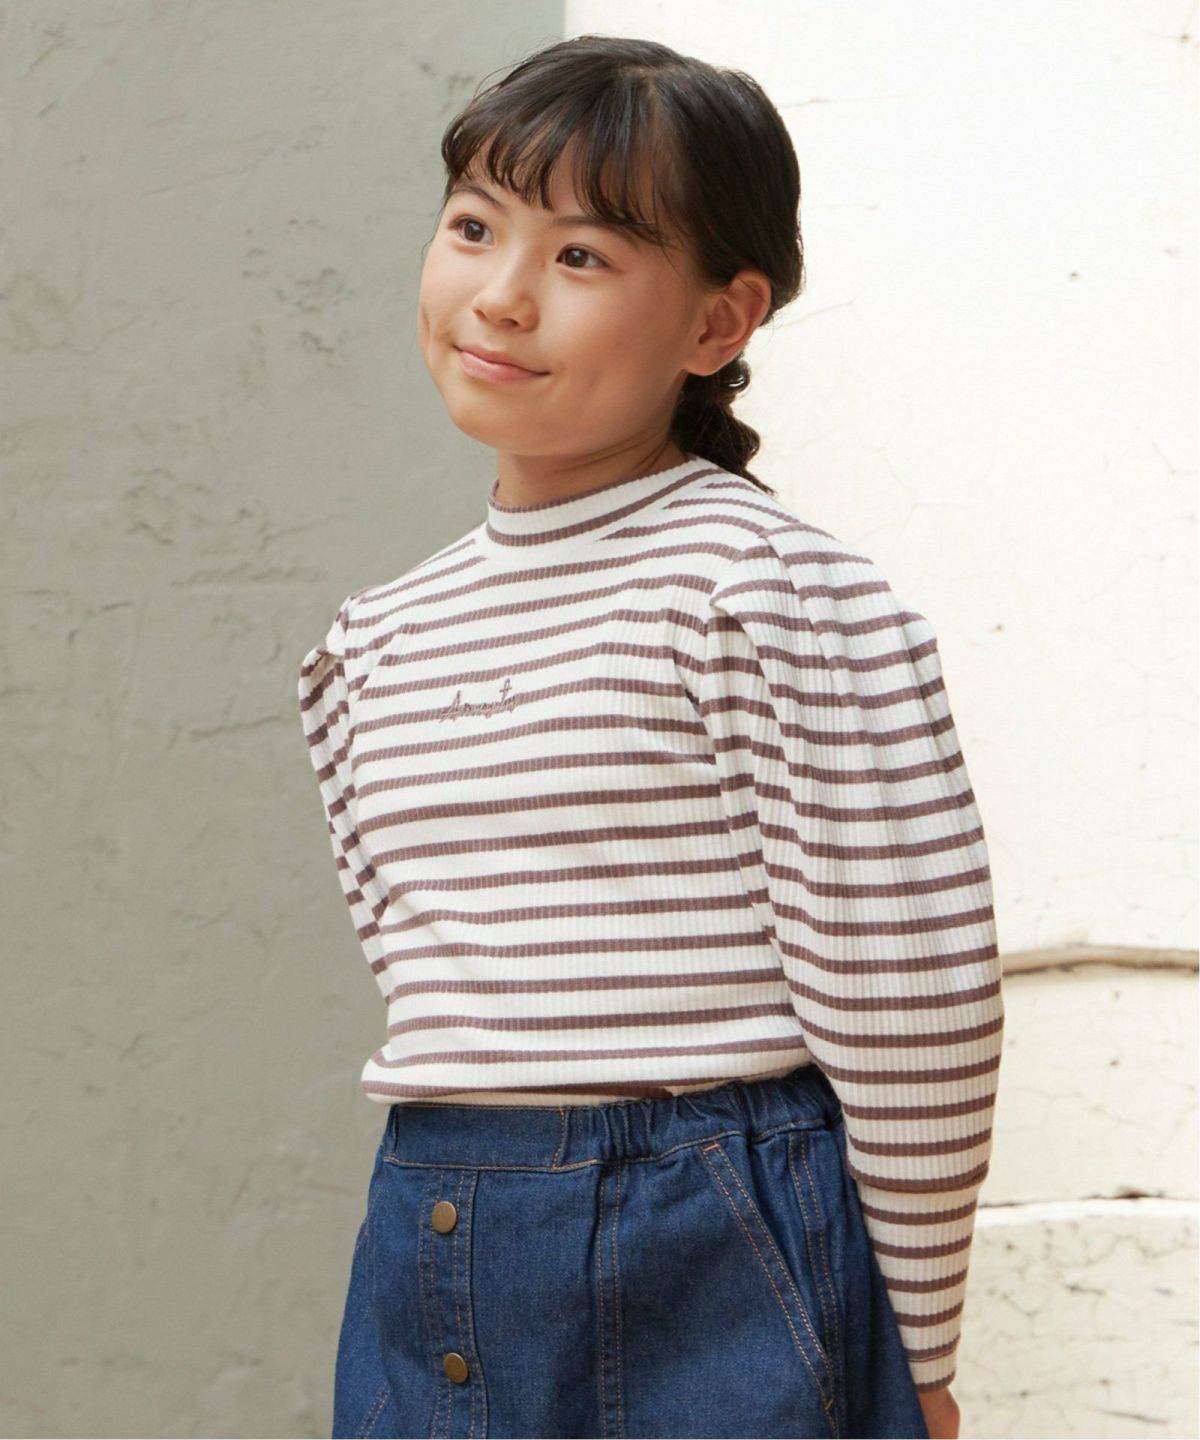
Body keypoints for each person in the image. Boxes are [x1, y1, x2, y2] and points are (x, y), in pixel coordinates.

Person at [298, 33, 1003, 1440]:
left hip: (708, 1229)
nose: (500, 296)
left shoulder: (770, 596)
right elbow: (440, 983)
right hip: (438, 1219)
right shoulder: (369, 645)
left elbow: (912, 1000)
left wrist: (916, 1345)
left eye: (582, 256)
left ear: (717, 325)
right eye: (474, 228)